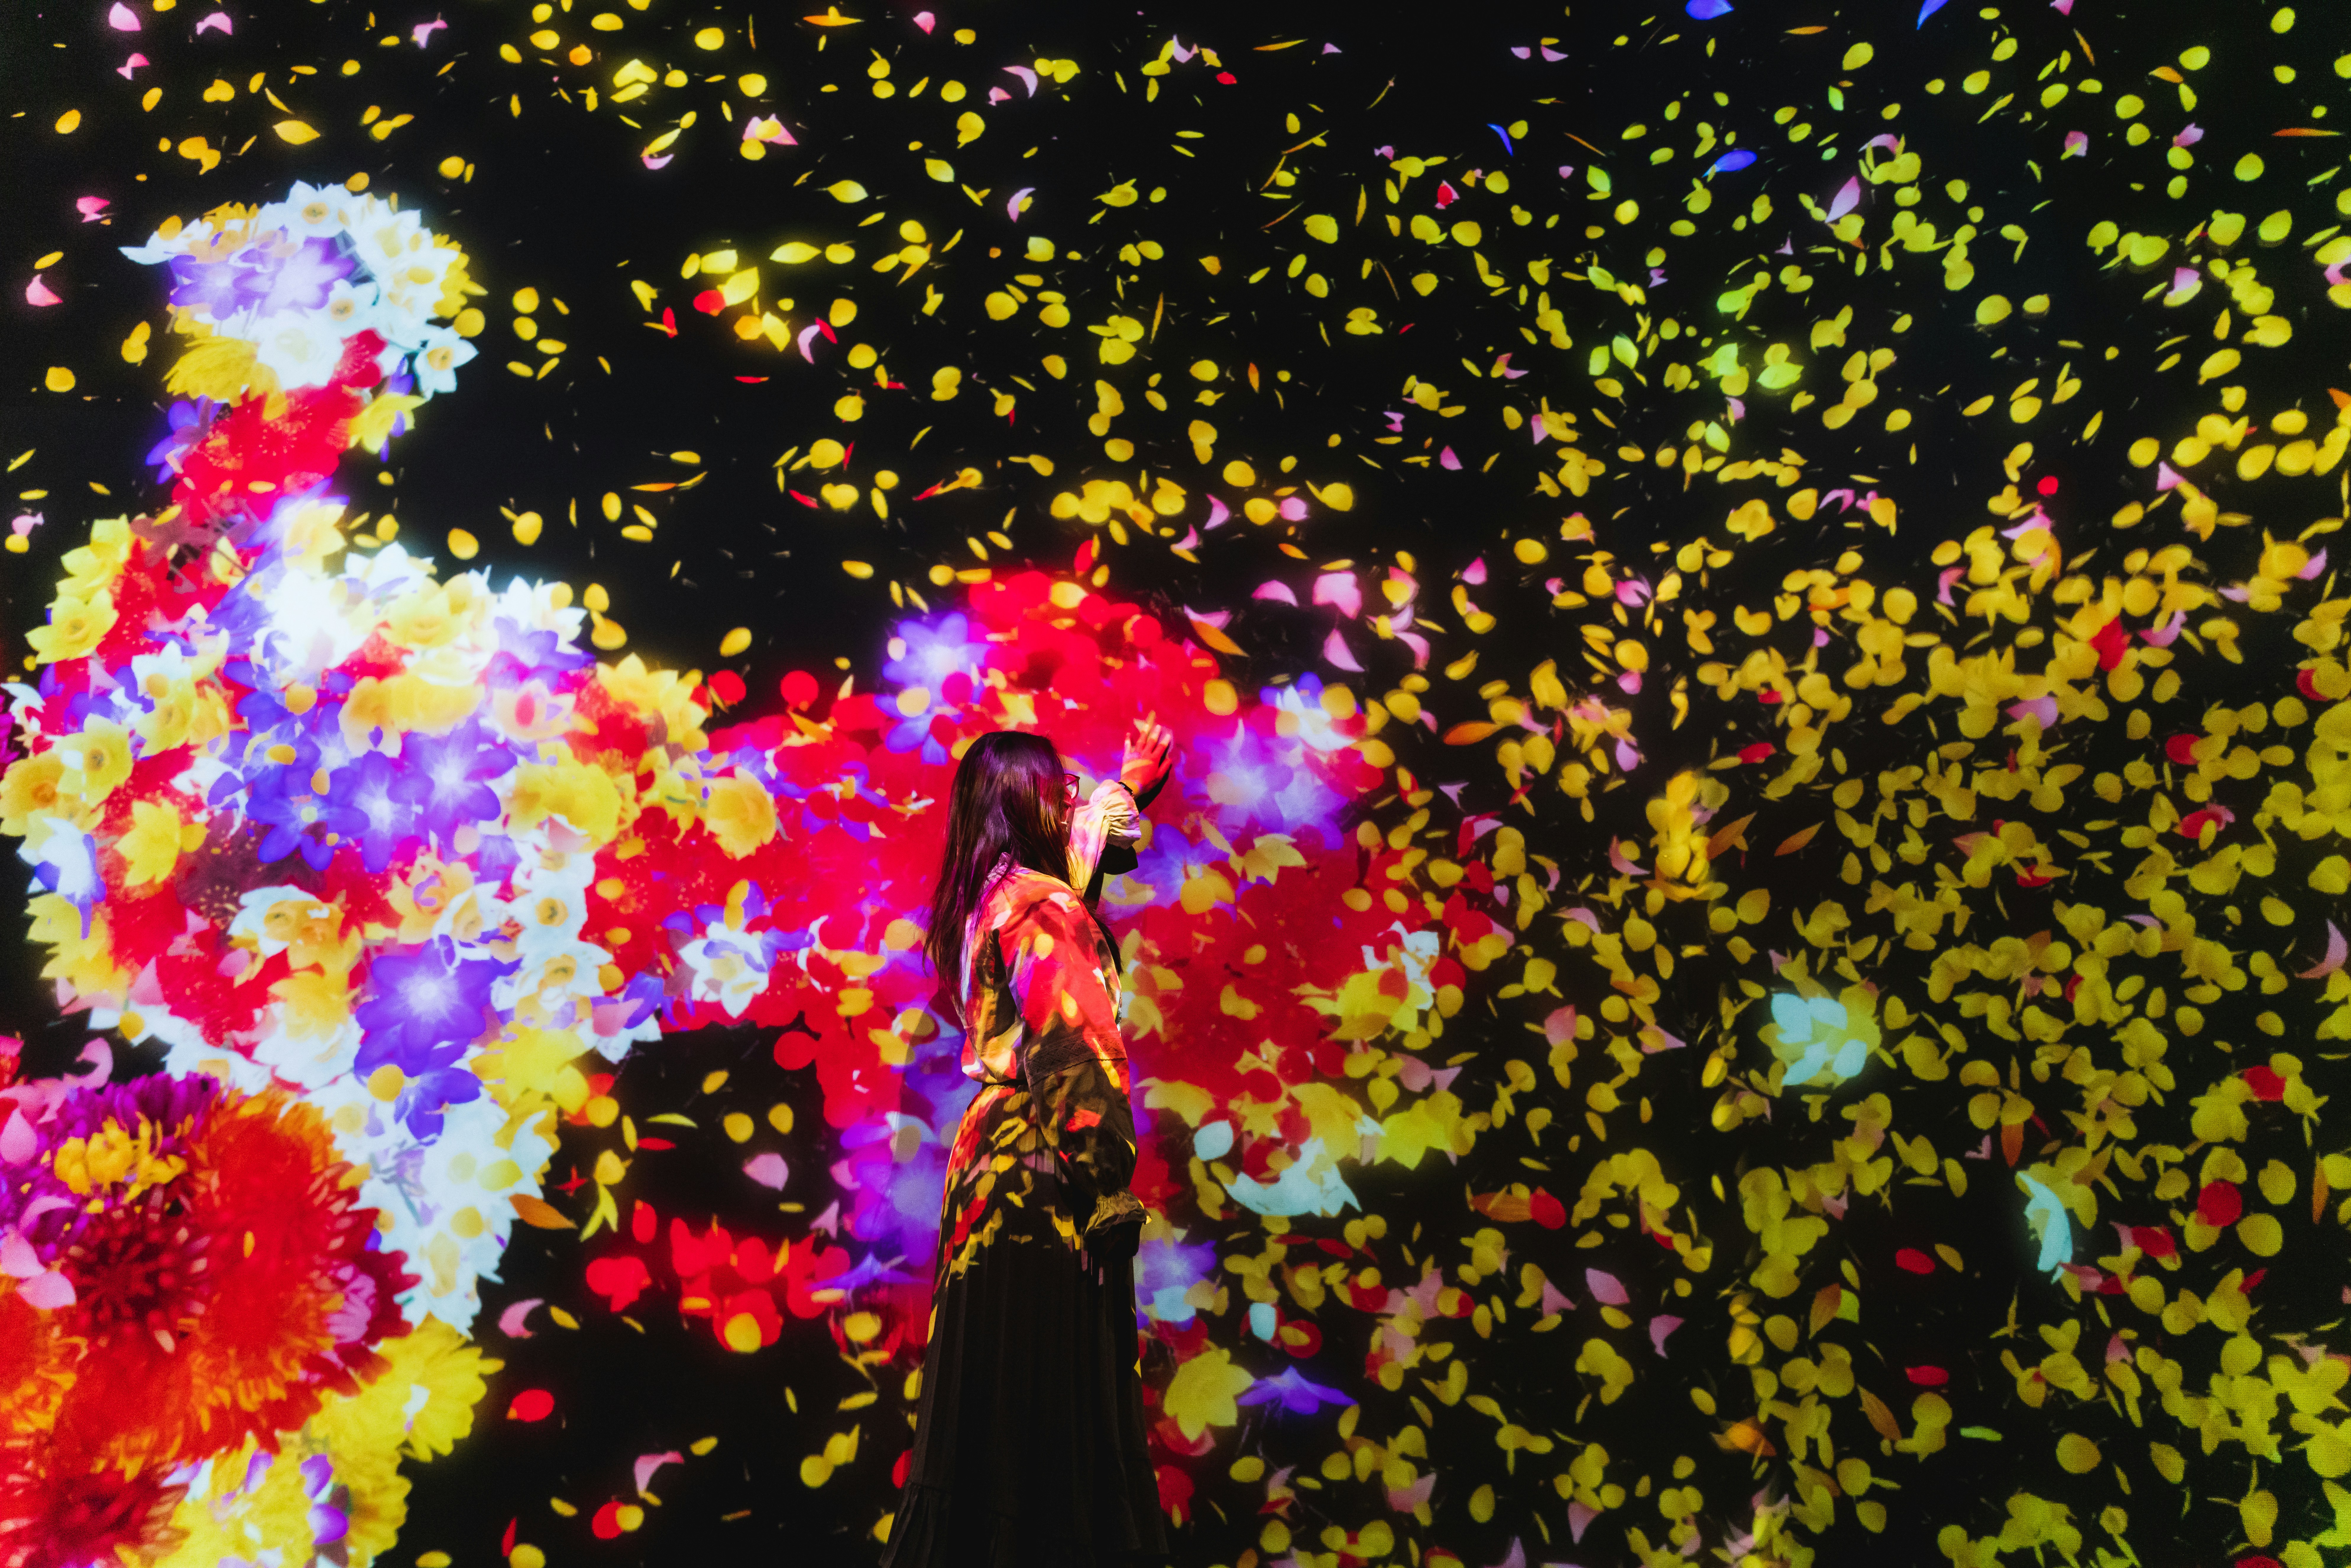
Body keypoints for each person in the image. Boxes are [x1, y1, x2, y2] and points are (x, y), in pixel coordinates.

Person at [880, 722, 1177, 1568]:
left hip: (986, 1177)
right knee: (1048, 1420)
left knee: (988, 1421)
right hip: (1041, 1172)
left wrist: (1128, 787)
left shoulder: (991, 900)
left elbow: (1075, 867)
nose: (1075, 801)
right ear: (1029, 803)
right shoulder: (1043, 910)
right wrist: (1105, 1182)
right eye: (1062, 789)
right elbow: (1073, 1045)